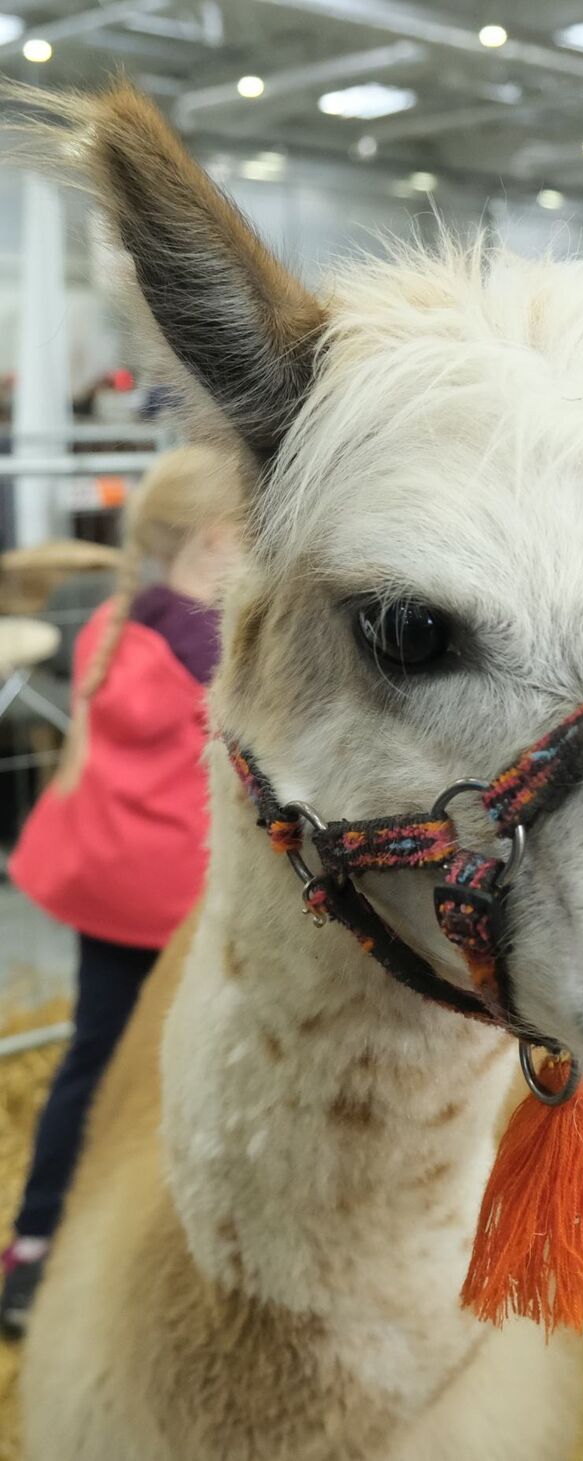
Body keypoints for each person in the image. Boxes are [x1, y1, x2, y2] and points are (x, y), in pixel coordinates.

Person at [0, 446, 242, 1335]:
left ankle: (33, 1243)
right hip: (170, 906)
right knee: (178, 1063)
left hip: (104, 890)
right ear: (220, 542)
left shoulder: (114, 622)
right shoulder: (215, 646)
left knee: (90, 1058)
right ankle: (157, 1241)